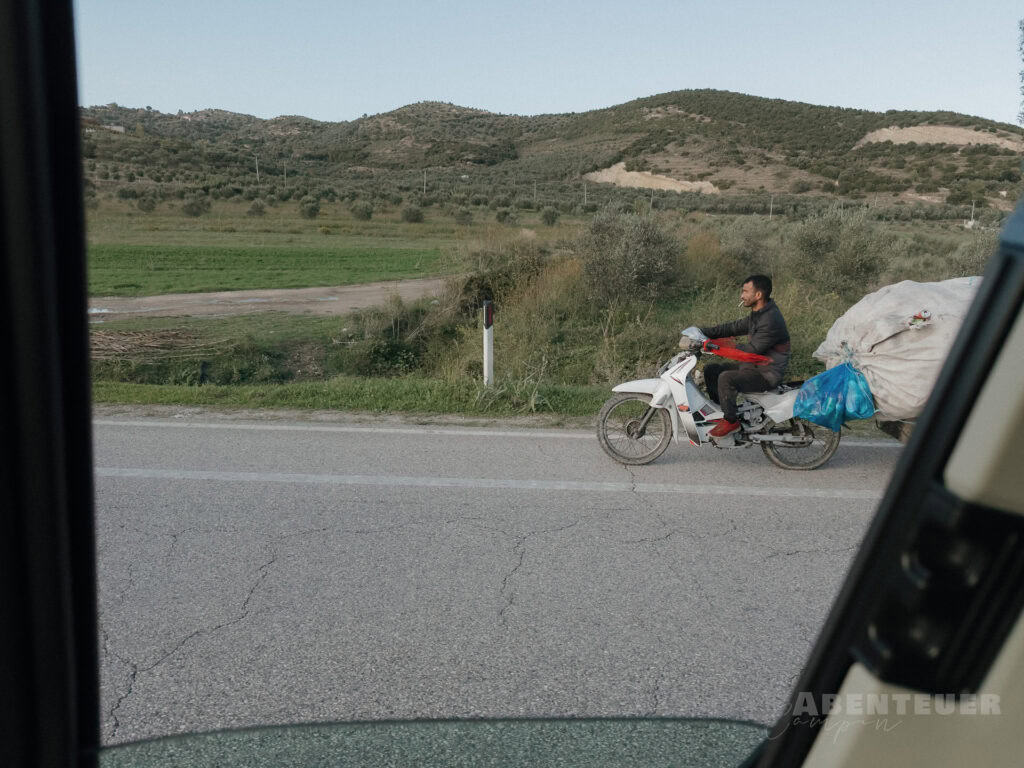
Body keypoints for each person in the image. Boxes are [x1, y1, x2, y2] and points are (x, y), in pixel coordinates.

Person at [687, 274, 791, 437]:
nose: (742, 296)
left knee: (726, 378)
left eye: (745, 291)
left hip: (767, 374)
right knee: (712, 370)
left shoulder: (770, 320)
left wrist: (716, 346)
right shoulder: (759, 314)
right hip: (755, 367)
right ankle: (724, 412)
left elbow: (750, 351)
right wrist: (701, 332)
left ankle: (731, 421)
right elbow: (732, 327)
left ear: (758, 295)